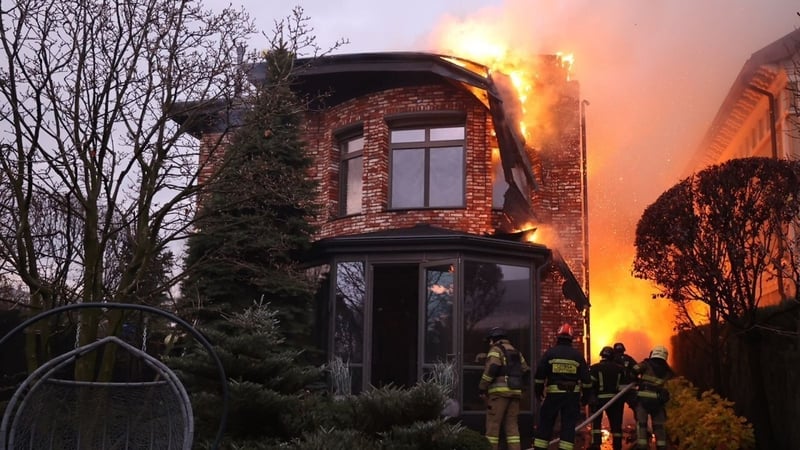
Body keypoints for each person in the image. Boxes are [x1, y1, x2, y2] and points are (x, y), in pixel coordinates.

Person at [532, 323, 593, 450]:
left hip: (553, 396)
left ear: (558, 337)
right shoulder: (577, 356)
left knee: (546, 423)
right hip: (572, 397)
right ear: (571, 338)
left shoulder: (550, 354)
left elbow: (539, 376)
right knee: (568, 426)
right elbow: (587, 380)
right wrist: (585, 397)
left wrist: (538, 392)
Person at [478, 327, 531, 450]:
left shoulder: (495, 350)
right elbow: (526, 371)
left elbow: (491, 370)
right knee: (512, 428)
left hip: (498, 396)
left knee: (493, 427)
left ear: (494, 339)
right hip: (515, 395)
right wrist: (523, 389)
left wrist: (482, 387)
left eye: (490, 340)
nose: (490, 343)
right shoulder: (517, 352)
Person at [632, 345, 674, 450]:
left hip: (643, 400)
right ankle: (661, 446)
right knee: (659, 425)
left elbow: (634, 369)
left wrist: (636, 379)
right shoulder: (668, 370)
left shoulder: (646, 364)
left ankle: (642, 446)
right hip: (658, 402)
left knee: (642, 424)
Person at [588, 346, 624, 450]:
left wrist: (590, 397)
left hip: (598, 400)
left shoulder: (595, 368)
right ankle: (617, 446)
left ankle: (595, 444)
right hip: (615, 401)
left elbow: (590, 384)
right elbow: (623, 386)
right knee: (616, 425)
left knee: (596, 423)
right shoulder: (619, 369)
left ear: (602, 355)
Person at [612, 342, 638, 411]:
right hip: (630, 388)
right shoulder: (629, 358)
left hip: (617, 390)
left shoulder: (612, 360)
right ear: (624, 350)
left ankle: (618, 422)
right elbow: (637, 368)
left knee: (617, 411)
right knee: (636, 408)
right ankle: (640, 421)